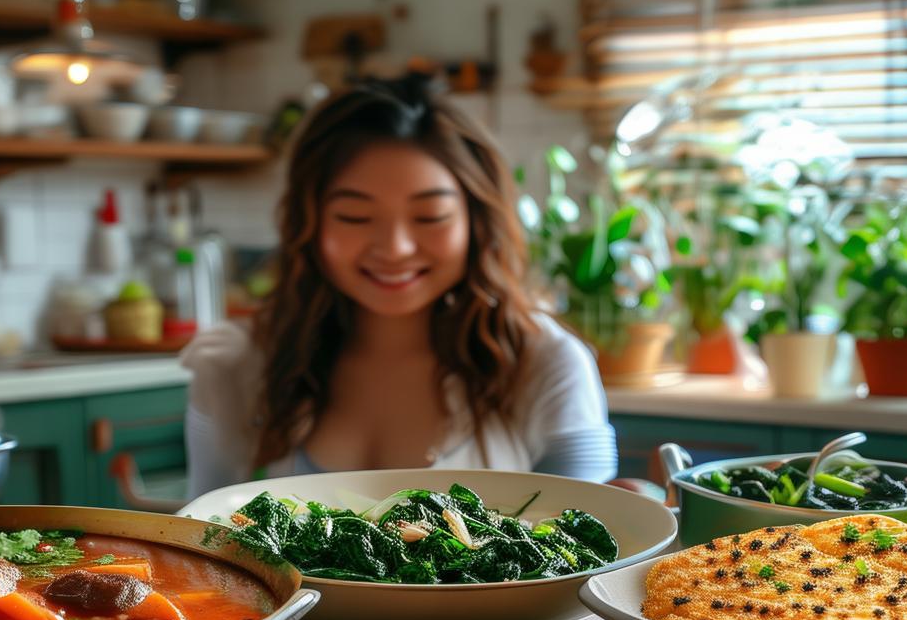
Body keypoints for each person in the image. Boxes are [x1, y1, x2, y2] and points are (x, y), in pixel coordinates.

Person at [181, 75, 617, 500]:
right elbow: (201, 546)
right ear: (308, 224)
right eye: (354, 216)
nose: (395, 248)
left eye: (430, 217)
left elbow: (589, 545)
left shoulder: (543, 364)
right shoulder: (236, 368)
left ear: (476, 223)